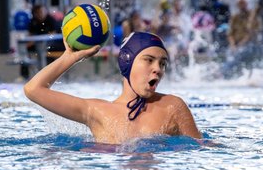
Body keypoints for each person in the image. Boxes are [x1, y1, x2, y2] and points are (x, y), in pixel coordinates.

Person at [24, 31, 202, 144]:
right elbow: (33, 89)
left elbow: (199, 149)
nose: (158, 69)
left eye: (162, 63)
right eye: (149, 60)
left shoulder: (172, 106)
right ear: (127, 62)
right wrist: (69, 58)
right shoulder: (97, 111)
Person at [19, 4, 63, 80]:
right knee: (24, 51)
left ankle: (44, 75)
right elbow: (30, 35)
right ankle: (24, 75)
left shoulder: (51, 20)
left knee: (43, 49)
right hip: (37, 44)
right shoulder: (33, 21)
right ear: (35, 13)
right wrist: (28, 43)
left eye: (42, 11)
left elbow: (53, 35)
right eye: (39, 12)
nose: (41, 14)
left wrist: (35, 41)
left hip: (53, 44)